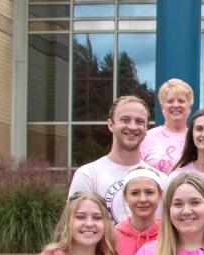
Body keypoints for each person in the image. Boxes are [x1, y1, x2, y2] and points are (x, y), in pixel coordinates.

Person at [69, 95, 163, 224]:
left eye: (140, 122)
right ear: (110, 125)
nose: (132, 127)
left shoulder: (161, 180)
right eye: (125, 120)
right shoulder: (88, 175)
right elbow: (72, 227)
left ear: (146, 129)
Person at [139, 78, 194, 173]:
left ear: (189, 107)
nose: (176, 105)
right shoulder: (147, 137)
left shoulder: (196, 138)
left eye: (181, 101)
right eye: (170, 101)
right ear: (162, 107)